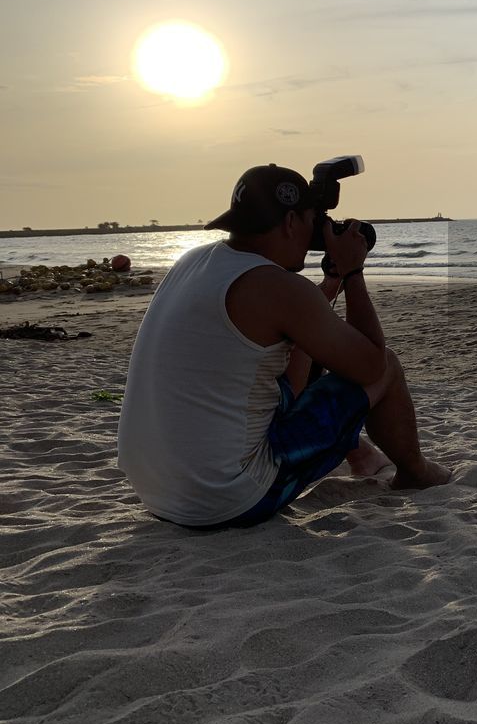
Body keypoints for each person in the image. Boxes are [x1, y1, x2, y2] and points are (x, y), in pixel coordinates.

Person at [117, 164, 451, 530]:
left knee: (298, 368)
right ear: (292, 221)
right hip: (226, 500)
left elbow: (296, 361)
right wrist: (353, 273)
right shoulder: (275, 286)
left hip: (157, 492)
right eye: (313, 221)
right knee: (386, 363)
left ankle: (363, 457)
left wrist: (332, 279)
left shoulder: (193, 261)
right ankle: (415, 472)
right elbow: (370, 365)